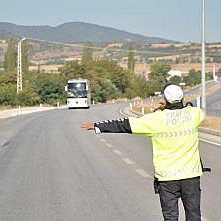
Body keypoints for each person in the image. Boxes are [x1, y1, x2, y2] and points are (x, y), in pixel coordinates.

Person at [81, 84, 204, 221]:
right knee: (194, 216)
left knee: (170, 217)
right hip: (191, 176)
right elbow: (189, 108)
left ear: (165, 100)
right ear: (182, 98)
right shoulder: (194, 114)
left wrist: (98, 126)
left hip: (167, 178)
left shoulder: (155, 120)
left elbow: (124, 125)